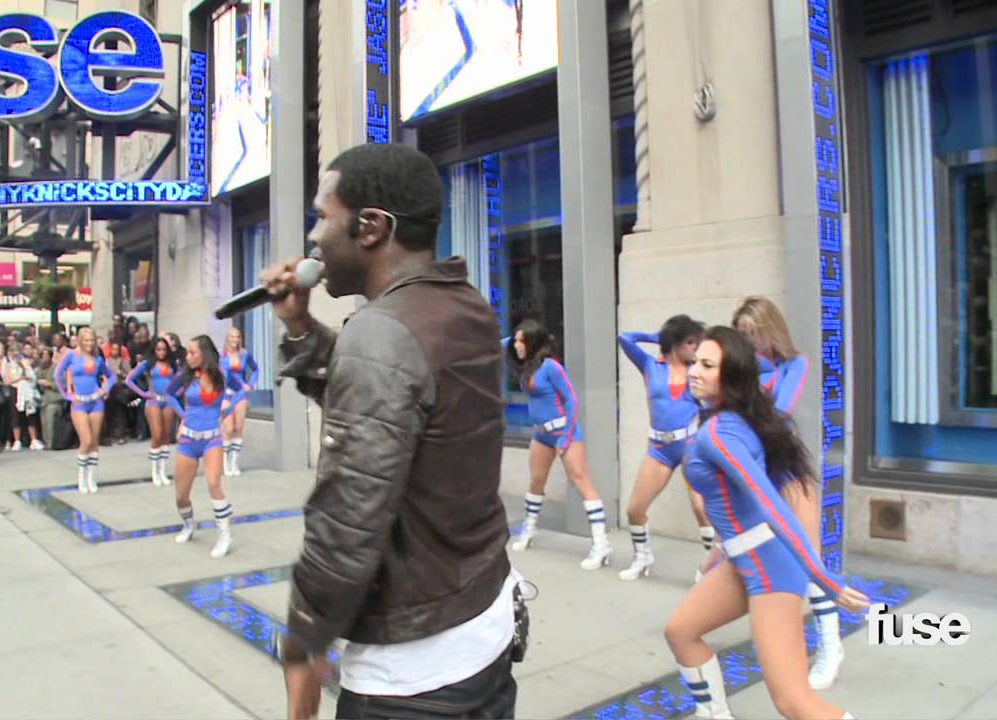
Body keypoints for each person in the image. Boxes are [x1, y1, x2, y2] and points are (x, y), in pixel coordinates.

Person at [262, 143, 517, 720]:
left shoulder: (380, 334)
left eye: (322, 217)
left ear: (371, 226)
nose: (312, 238)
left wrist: (304, 635)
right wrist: (301, 326)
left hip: (413, 677)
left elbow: (346, 522)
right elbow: (391, 410)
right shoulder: (464, 306)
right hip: (484, 621)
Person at [664, 326, 868, 720]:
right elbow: (740, 505)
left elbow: (770, 505)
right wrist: (723, 549)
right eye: (694, 362)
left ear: (731, 376)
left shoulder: (720, 433)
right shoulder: (735, 421)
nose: (694, 371)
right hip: (745, 560)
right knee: (681, 631)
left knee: (794, 701)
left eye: (708, 365)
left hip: (769, 568)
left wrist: (821, 576)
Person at [732, 296, 841, 689]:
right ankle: (786, 650)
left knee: (810, 561)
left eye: (752, 333)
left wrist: (752, 371)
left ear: (768, 330)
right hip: (750, 474)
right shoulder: (737, 371)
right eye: (740, 334)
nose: (747, 341)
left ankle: (830, 647)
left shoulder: (794, 364)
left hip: (787, 472)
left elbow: (778, 409)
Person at [505, 319, 612, 570]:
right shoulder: (527, 367)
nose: (517, 345)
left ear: (533, 342)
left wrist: (566, 435)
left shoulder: (550, 366)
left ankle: (601, 543)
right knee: (536, 481)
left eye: (522, 340)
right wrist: (508, 341)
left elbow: (572, 399)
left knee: (580, 479)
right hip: (541, 434)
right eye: (516, 340)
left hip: (564, 430)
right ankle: (529, 529)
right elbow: (501, 345)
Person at [615, 316, 706, 581]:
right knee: (634, 509)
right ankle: (643, 558)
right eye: (689, 342)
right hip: (658, 447)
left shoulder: (698, 371)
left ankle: (712, 569)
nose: (695, 348)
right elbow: (625, 337)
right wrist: (659, 337)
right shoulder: (650, 365)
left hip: (689, 444)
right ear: (675, 343)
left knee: (702, 508)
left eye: (697, 343)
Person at [166, 335, 243, 556]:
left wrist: (229, 408)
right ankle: (189, 524)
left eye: (192, 353)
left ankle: (225, 535)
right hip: (188, 440)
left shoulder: (222, 375)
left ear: (205, 354)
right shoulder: (185, 376)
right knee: (181, 495)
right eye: (187, 353)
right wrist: (182, 415)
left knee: (213, 483)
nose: (187, 357)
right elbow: (169, 395)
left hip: (212, 439)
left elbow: (242, 389)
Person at [55, 328, 116, 493]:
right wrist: (67, 394)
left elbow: (112, 376)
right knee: (86, 440)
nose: (89, 343)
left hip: (96, 402)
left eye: (92, 340)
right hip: (79, 403)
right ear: (81, 340)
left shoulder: (97, 359)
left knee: (94, 442)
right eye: (86, 340)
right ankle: (82, 477)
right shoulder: (71, 356)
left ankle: (91, 477)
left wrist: (105, 390)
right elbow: (57, 374)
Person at [125, 337, 179, 486]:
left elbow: (182, 380)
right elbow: (129, 379)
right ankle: (155, 471)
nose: (161, 352)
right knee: (157, 434)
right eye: (158, 349)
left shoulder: (172, 364)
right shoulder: (147, 363)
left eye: (164, 349)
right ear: (154, 350)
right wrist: (144, 393)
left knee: (166, 436)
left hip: (167, 401)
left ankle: (162, 471)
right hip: (153, 401)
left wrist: (176, 393)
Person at [219, 326, 258, 476]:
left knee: (239, 428)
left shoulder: (244, 354)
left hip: (240, 395)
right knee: (228, 428)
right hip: (226, 394)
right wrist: (242, 383)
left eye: (237, 337)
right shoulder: (222, 356)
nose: (234, 340)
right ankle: (225, 463)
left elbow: (255, 369)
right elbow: (227, 375)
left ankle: (234, 462)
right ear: (227, 338)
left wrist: (250, 383)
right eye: (232, 337)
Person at [35, 349, 65, 452]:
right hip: (43, 399)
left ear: (50, 357)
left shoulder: (57, 369)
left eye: (45, 356)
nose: (43, 358)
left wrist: (49, 384)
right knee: (44, 422)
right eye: (41, 356)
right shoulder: (39, 370)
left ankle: (51, 443)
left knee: (50, 420)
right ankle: (46, 442)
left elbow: (62, 385)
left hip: (55, 399)